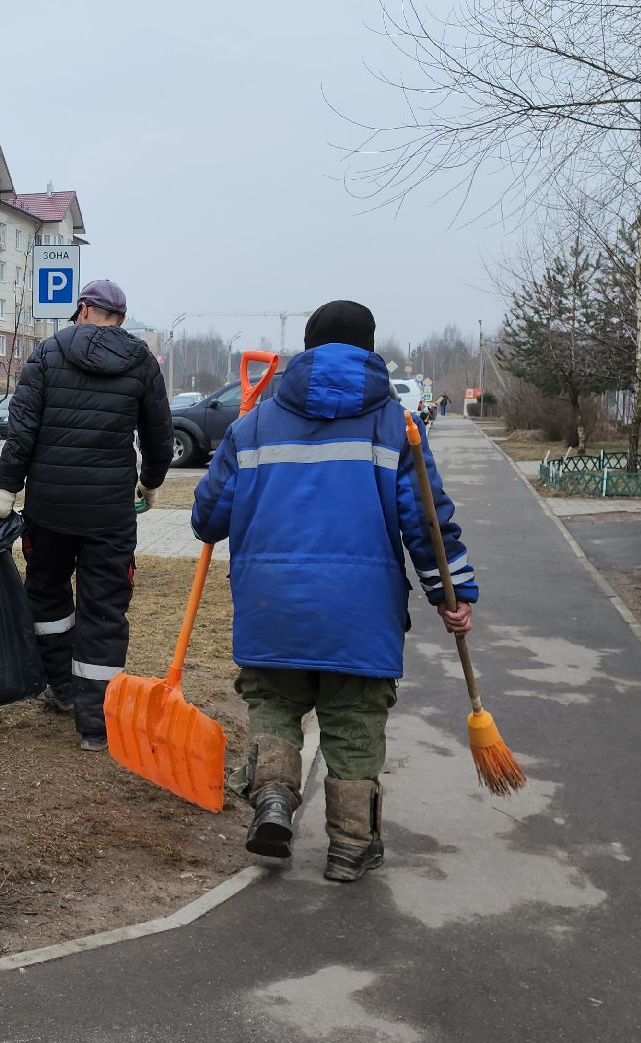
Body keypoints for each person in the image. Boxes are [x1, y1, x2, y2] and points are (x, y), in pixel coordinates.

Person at [191, 300, 477, 882]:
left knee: (275, 705)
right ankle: (350, 845)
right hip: (360, 614)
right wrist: (452, 594)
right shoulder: (397, 428)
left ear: (307, 347)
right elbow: (426, 521)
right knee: (354, 724)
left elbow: (207, 520)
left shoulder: (253, 425)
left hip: (271, 608)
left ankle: (272, 798)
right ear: (370, 352)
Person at [0, 280, 175, 751]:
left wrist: (6, 488)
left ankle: (64, 689)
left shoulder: (47, 353)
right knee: (104, 610)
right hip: (109, 514)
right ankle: (96, 725)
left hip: (49, 510)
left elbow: (21, 429)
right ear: (121, 319)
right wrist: (149, 482)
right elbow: (159, 435)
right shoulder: (142, 362)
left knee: (46, 597)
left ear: (83, 310)